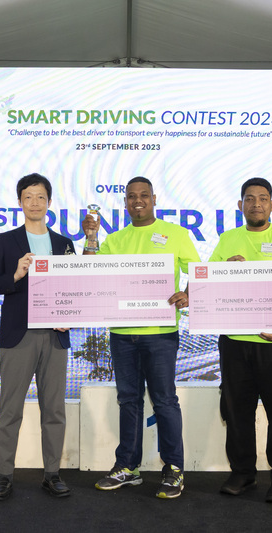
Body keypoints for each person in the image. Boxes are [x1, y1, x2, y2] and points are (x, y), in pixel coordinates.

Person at [82, 176, 199, 499]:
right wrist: (91, 237)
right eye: (132, 196)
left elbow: (198, 271)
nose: (138, 201)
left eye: (144, 195)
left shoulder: (176, 233)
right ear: (125, 203)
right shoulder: (115, 240)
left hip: (160, 333)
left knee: (164, 400)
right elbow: (90, 272)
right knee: (128, 400)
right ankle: (128, 467)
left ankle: (174, 469)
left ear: (154, 199)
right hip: (122, 334)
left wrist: (189, 293)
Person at [211, 177, 272, 504]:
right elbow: (208, 285)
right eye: (249, 199)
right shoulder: (227, 239)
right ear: (240, 205)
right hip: (235, 341)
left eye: (262, 198)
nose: (256, 204)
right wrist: (224, 269)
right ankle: (242, 473)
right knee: (237, 410)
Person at [0, 173, 76, 501]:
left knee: (54, 410)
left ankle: (52, 474)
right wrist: (16, 274)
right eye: (28, 197)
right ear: (20, 202)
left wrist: (69, 316)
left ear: (49, 202)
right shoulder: (6, 241)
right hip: (18, 335)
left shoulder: (64, 244)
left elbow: (73, 288)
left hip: (55, 336)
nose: (34, 203)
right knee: (10, 409)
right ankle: (4, 476)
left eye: (40, 197)